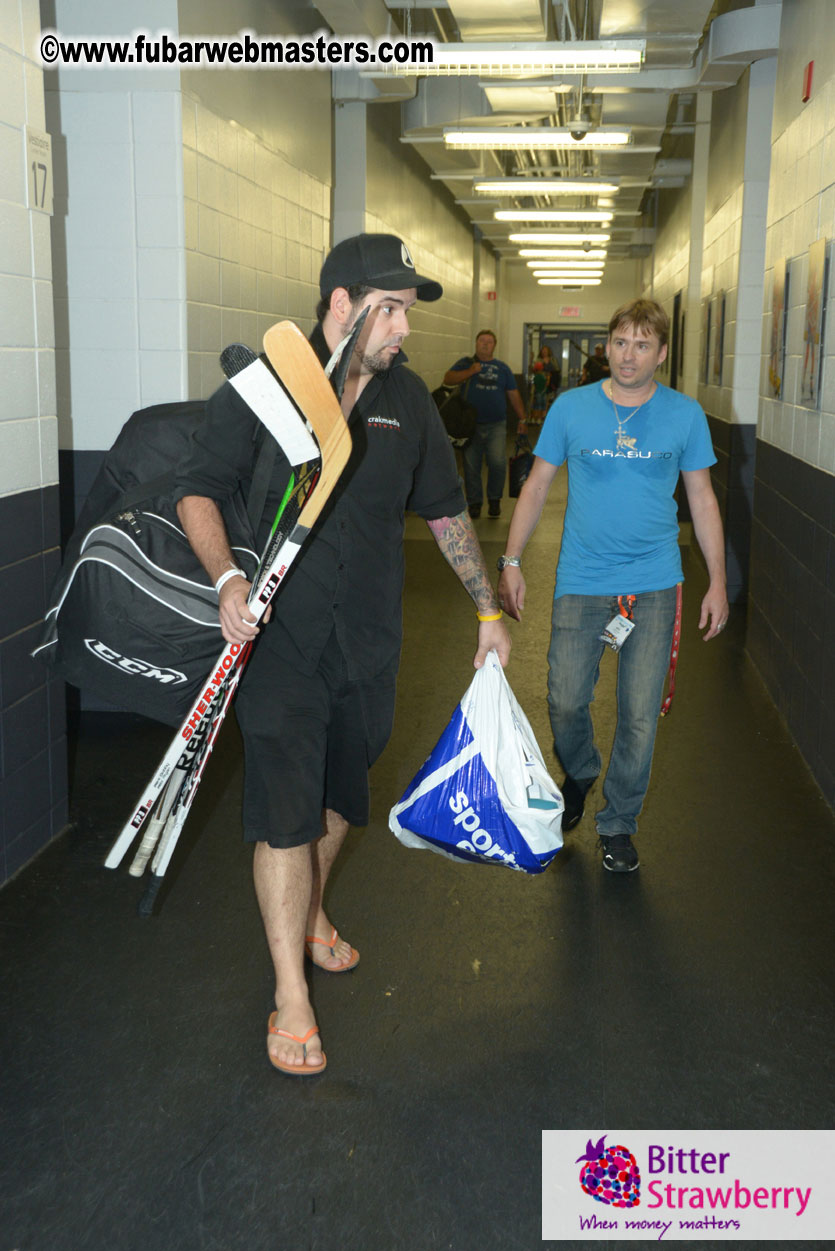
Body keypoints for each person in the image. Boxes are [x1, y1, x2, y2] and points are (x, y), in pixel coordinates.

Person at [174, 233, 511, 1075]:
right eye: (390, 308)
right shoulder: (263, 388)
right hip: (278, 642)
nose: (403, 327)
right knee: (285, 812)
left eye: (404, 310)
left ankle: (314, 908)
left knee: (334, 805)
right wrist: (225, 581)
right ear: (340, 305)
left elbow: (442, 510)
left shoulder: (409, 402)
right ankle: (289, 991)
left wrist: (486, 606)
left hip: (368, 644)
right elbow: (196, 488)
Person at [497, 298, 728, 873]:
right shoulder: (572, 408)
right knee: (565, 697)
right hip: (582, 579)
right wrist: (511, 559)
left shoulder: (685, 415)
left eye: (642, 345)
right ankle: (579, 771)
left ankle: (618, 823)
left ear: (662, 353)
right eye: (620, 343)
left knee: (640, 714)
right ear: (608, 346)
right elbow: (536, 485)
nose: (628, 356)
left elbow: (701, 498)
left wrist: (718, 580)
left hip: (654, 584)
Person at [443, 330, 528, 519]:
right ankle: (474, 503)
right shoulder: (466, 363)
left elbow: (513, 394)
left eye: (489, 342)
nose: (485, 344)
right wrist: (470, 372)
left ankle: (494, 500)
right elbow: (448, 379)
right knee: (471, 466)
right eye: (482, 341)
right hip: (470, 425)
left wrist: (522, 419)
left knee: (497, 463)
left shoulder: (502, 368)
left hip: (496, 424)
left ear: (494, 346)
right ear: (476, 343)